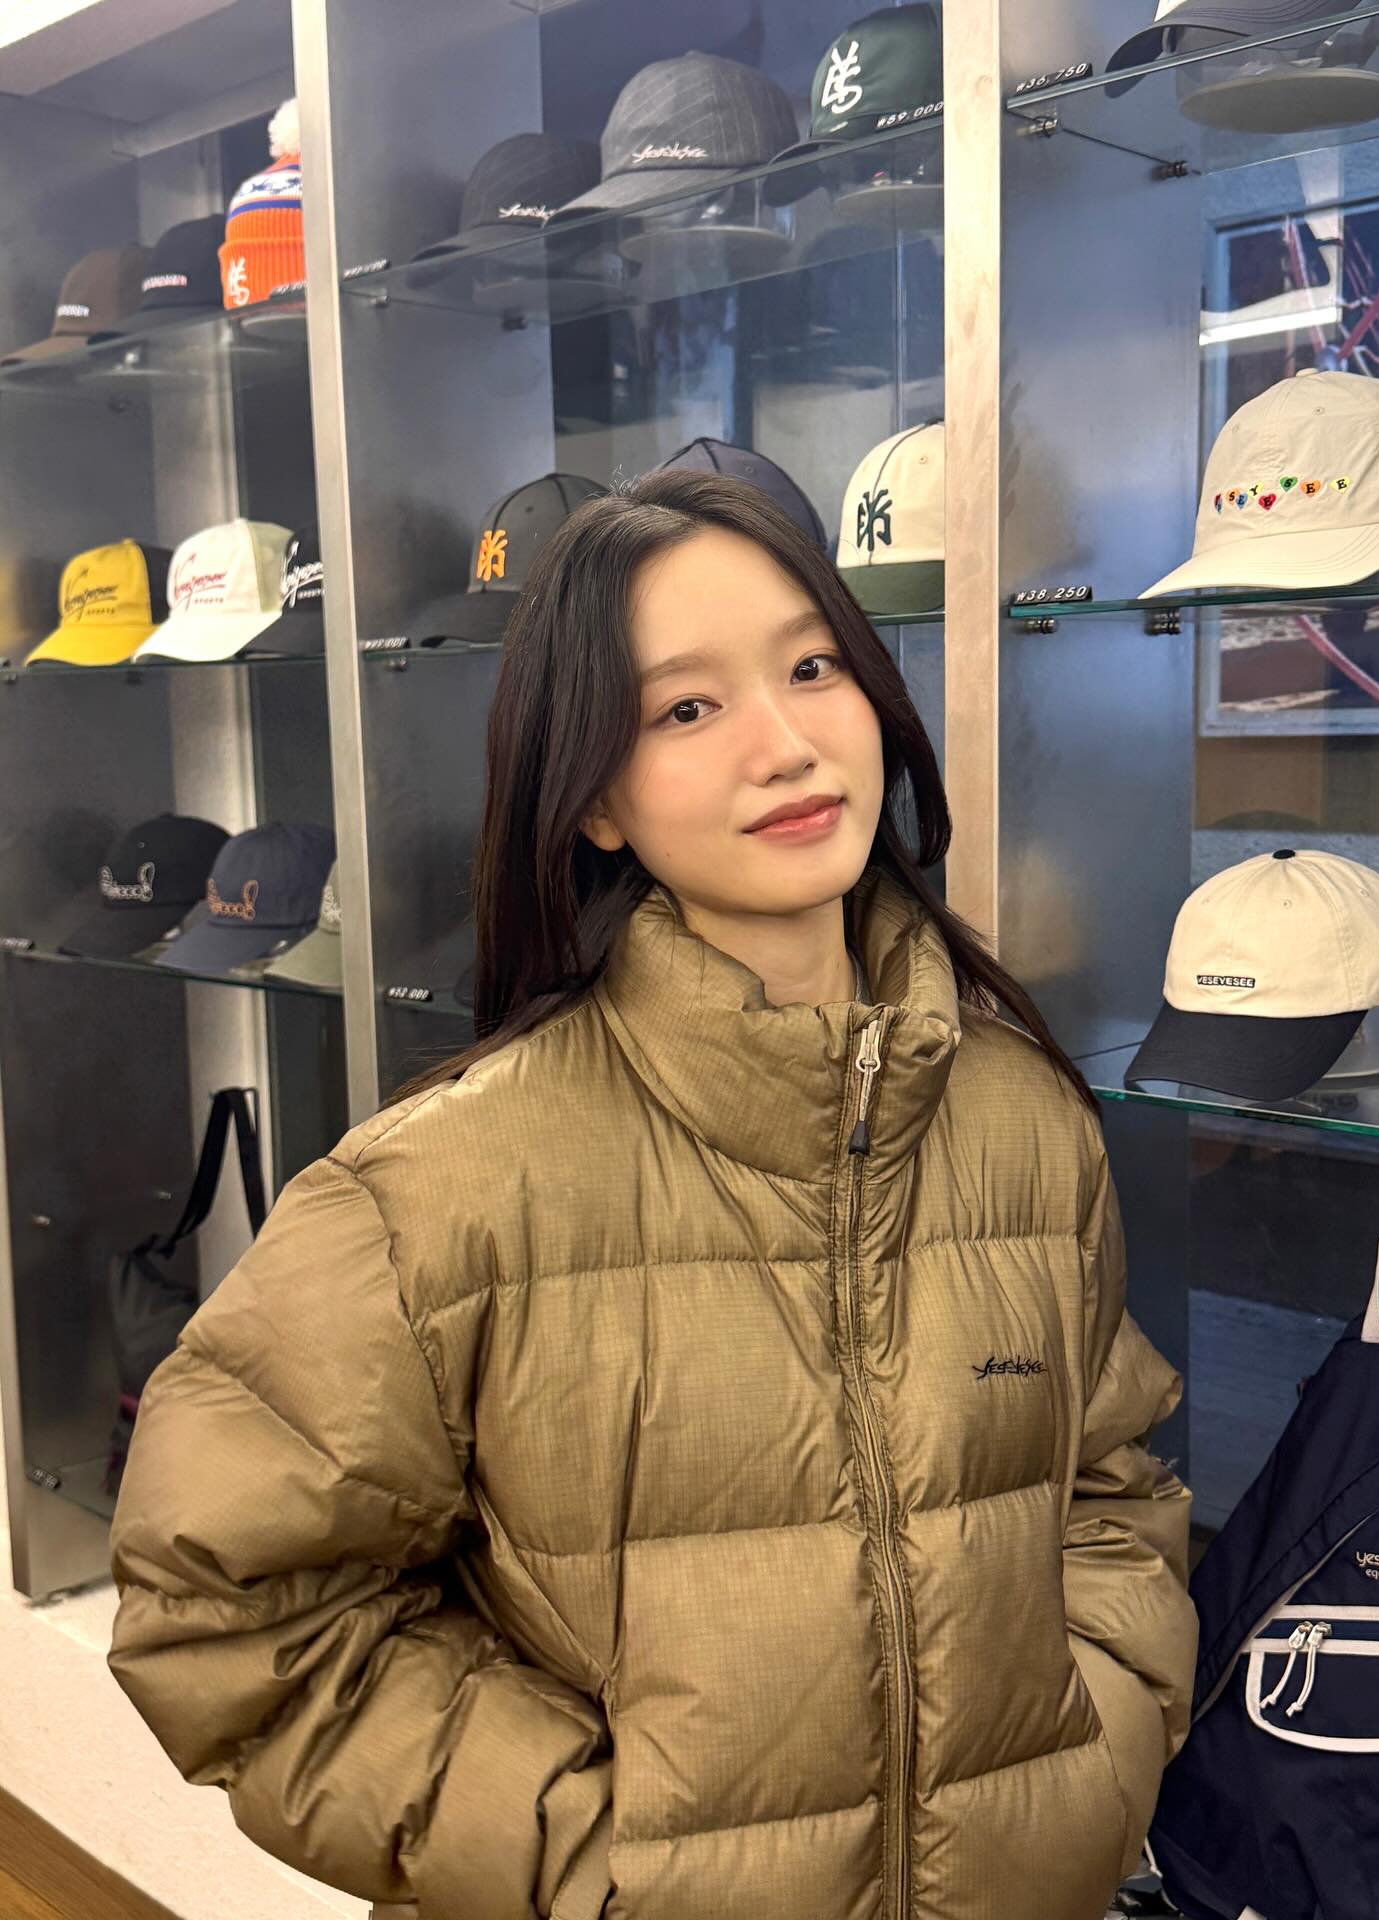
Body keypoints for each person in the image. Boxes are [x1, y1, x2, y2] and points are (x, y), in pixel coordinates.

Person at [107, 470, 1197, 1920]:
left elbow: (1106, 1484)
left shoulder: (1022, 1119)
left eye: (814, 668)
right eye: (686, 708)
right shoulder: (443, 1186)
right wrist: (601, 1862)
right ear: (595, 800)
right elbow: (226, 1610)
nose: (787, 744)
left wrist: (1095, 1748)